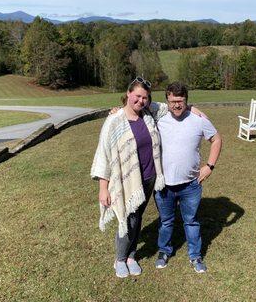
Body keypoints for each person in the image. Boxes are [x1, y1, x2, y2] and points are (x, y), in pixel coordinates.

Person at [91, 77, 165, 278]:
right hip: (126, 181)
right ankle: (120, 258)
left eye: (145, 98)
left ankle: (132, 255)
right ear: (128, 93)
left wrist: (192, 108)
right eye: (138, 96)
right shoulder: (114, 121)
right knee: (127, 218)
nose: (141, 101)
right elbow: (103, 156)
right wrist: (103, 188)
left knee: (137, 217)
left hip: (149, 178)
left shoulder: (149, 115)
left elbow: (170, 106)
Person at [150, 82, 222, 273]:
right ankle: (164, 251)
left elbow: (216, 139)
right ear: (167, 100)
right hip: (164, 184)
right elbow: (136, 106)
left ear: (186, 100)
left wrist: (209, 166)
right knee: (166, 222)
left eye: (181, 101)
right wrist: (116, 110)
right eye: (173, 101)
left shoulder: (198, 120)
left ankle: (195, 256)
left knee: (191, 221)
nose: (176, 105)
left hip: (191, 184)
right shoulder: (159, 118)